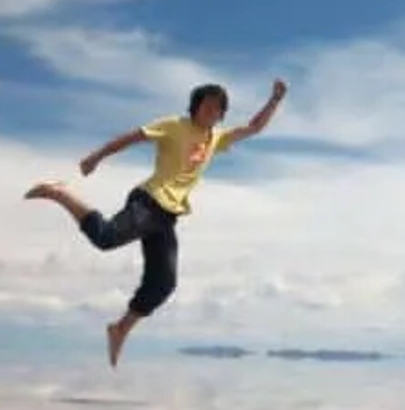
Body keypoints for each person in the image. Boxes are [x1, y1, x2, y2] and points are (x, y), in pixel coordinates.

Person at [24, 78, 287, 367]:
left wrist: (274, 100)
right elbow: (132, 137)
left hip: (166, 217)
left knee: (163, 283)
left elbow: (254, 128)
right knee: (106, 238)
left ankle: (120, 328)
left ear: (222, 114)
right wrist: (96, 157)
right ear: (195, 106)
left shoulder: (216, 139)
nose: (211, 111)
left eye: (217, 108)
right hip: (149, 202)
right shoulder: (175, 126)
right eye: (207, 105)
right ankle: (60, 193)